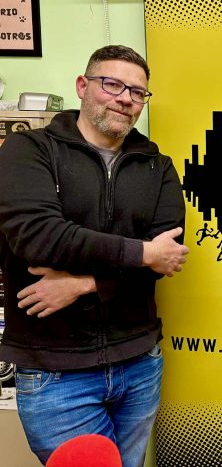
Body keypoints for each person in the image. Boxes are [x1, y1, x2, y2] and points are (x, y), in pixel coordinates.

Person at [0, 45, 189, 466]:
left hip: (139, 362)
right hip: (55, 373)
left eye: (137, 92)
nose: (125, 99)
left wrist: (84, 284)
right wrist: (143, 252)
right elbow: (39, 238)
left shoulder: (157, 166)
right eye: (112, 84)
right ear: (83, 86)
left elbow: (166, 260)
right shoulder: (28, 150)